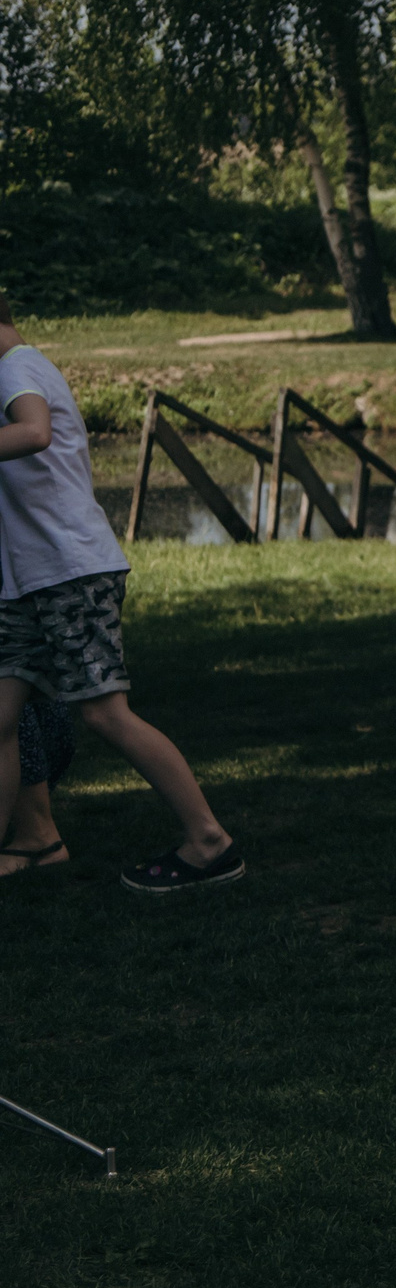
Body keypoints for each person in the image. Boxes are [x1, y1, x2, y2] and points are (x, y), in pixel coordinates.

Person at [0, 298, 242, 893]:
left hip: (70, 573)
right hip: (29, 582)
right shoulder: (19, 366)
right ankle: (28, 842)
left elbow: (34, 431)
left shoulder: (16, 366)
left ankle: (209, 840)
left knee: (104, 713)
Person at [3, 694, 76, 875]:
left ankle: (37, 835)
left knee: (7, 699)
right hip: (47, 751)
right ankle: (36, 831)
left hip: (36, 759)